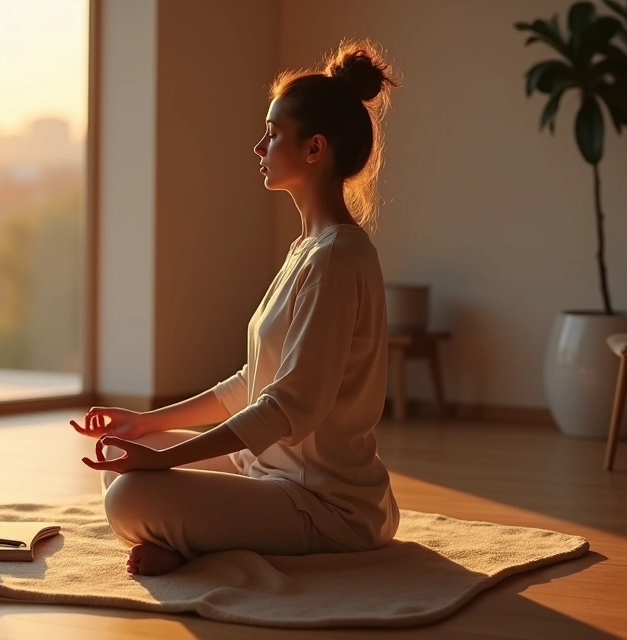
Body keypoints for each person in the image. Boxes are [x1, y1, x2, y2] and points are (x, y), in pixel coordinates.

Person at [72, 40, 401, 577]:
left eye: (272, 134)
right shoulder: (308, 248)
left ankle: (195, 540)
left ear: (314, 149)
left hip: (323, 504)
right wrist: (144, 426)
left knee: (129, 496)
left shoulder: (336, 259)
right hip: (265, 473)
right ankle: (195, 539)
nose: (259, 147)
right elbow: (253, 382)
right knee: (119, 459)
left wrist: (163, 461)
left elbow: (288, 410)